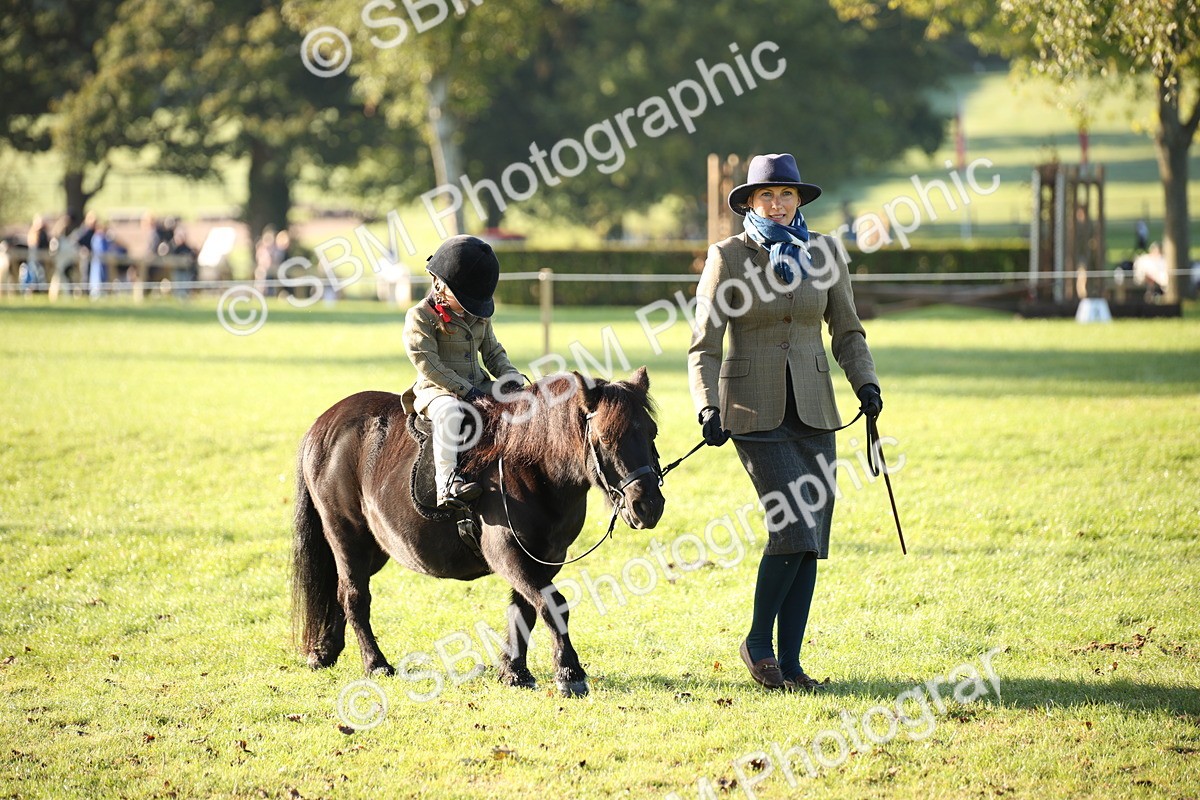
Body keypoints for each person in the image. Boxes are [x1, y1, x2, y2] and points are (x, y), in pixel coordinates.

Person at [688, 153, 883, 692]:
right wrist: (707, 404)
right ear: (750, 202)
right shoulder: (727, 256)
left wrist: (865, 382)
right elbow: (703, 343)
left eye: (787, 195)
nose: (777, 204)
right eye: (766, 196)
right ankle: (757, 642)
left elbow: (847, 329)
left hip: (817, 410)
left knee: (811, 537)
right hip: (753, 412)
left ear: (799, 200)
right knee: (790, 526)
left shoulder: (824, 253)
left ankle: (792, 665)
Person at [401, 235, 525, 510]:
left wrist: (512, 379)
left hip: (477, 385)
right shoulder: (420, 316)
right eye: (466, 300)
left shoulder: (478, 316)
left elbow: (493, 353)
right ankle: (447, 482)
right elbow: (428, 364)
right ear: (440, 285)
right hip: (437, 390)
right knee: (451, 414)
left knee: (521, 405)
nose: (473, 310)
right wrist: (466, 391)